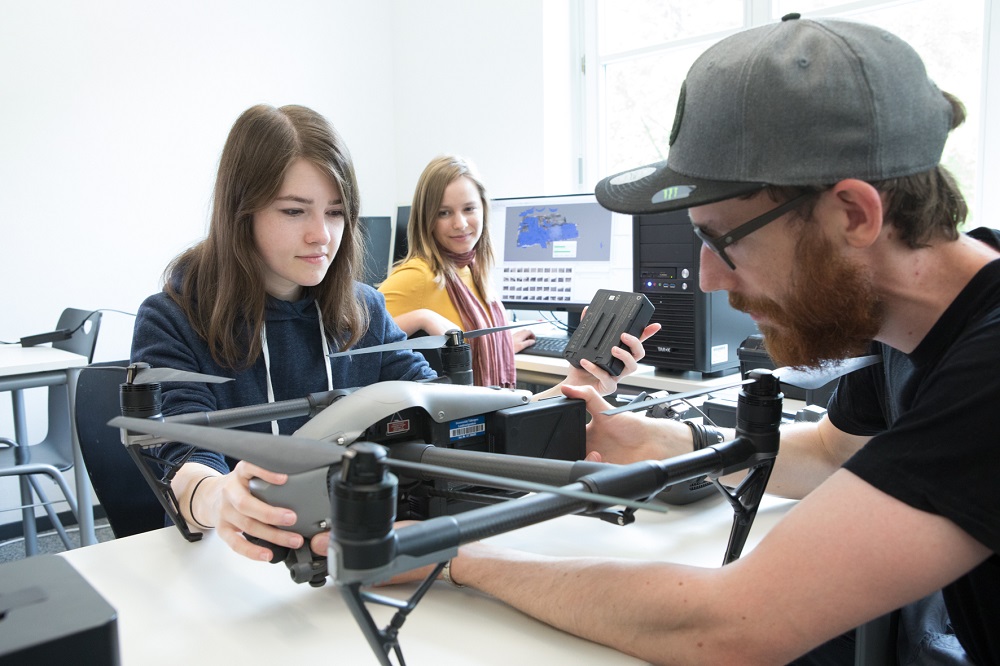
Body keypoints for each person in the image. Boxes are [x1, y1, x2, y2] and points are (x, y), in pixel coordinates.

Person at [387, 15, 999, 665]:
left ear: (853, 214)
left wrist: (456, 553)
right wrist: (659, 441)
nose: (707, 278)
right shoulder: (907, 328)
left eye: (722, 240)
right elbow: (830, 455)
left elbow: (732, 625)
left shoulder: (988, 370)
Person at [130, 104, 442, 562]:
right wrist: (221, 498)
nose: (322, 235)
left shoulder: (364, 309)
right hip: (230, 563)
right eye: (295, 211)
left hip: (348, 550)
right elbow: (185, 459)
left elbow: (431, 401)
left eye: (336, 212)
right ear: (242, 211)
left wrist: (534, 409)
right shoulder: (173, 318)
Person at [378, 155, 657, 393]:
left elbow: (461, 337)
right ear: (426, 218)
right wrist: (421, 317)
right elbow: (350, 342)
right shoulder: (418, 275)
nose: (460, 223)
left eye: (469, 209)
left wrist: (494, 345)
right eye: (444, 213)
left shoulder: (473, 270)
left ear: (484, 210)